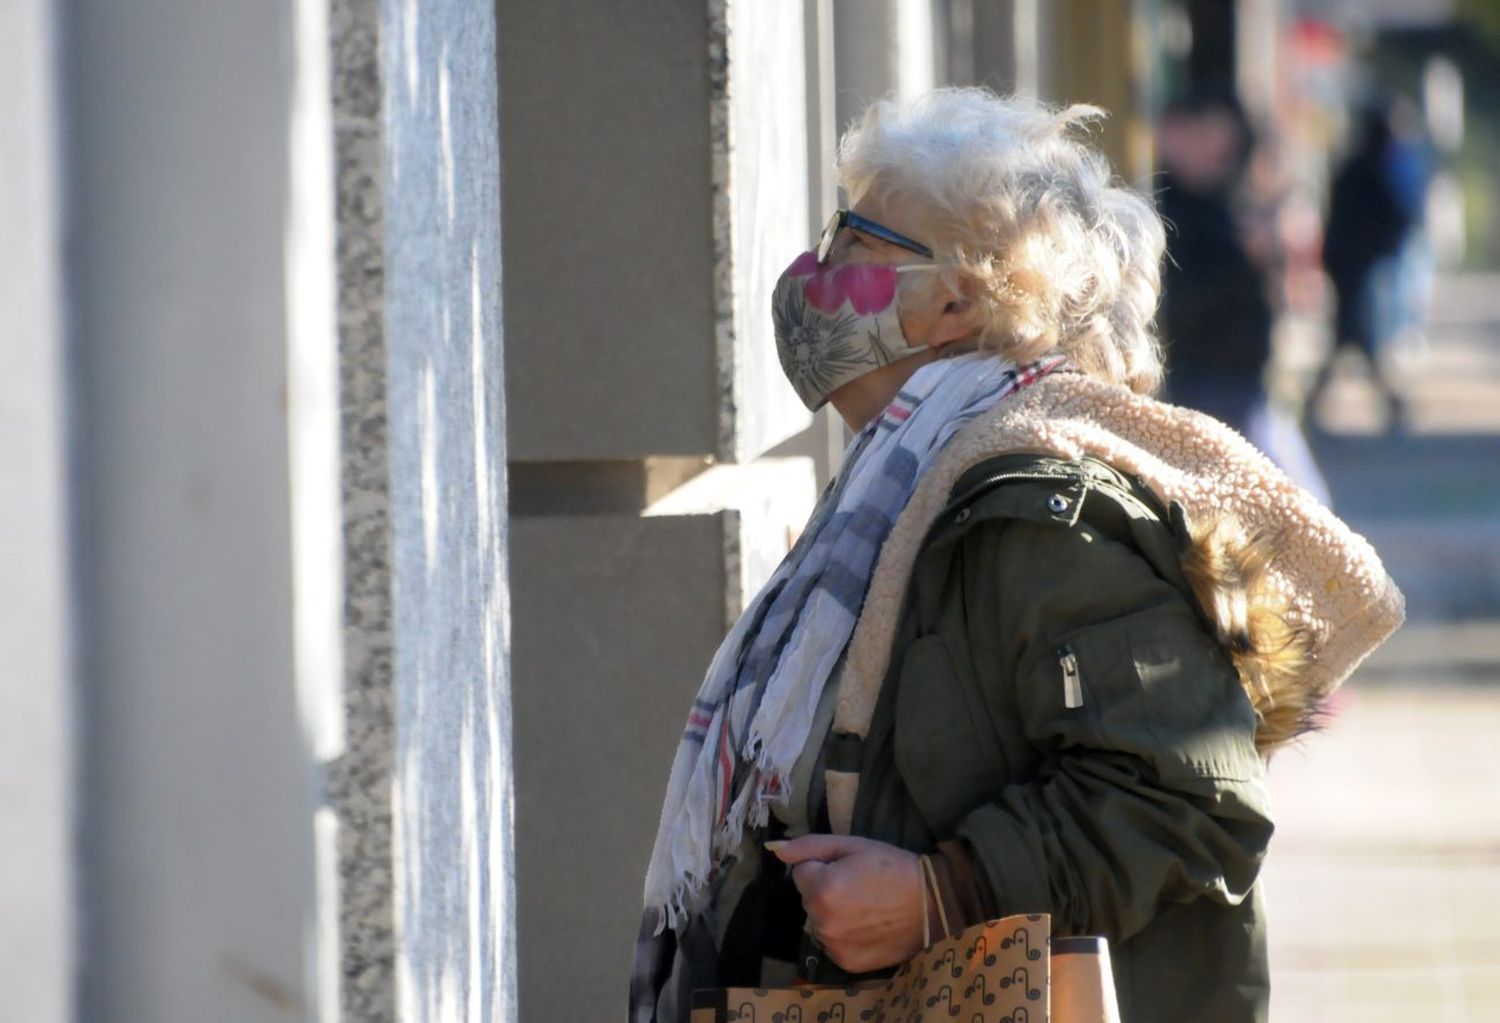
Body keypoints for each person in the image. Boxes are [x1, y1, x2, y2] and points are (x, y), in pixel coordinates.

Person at [630, 89, 1404, 1023]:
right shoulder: (905, 488)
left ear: (956, 296)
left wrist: (939, 894)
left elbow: (1191, 803)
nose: (816, 267)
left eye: (854, 235)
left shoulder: (1040, 510)